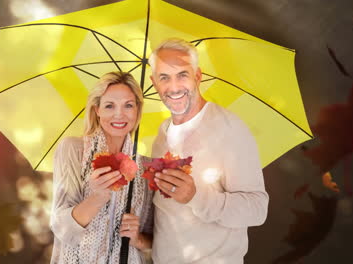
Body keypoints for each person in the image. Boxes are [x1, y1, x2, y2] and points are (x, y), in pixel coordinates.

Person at [148, 38, 269, 263]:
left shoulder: (229, 128)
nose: (173, 87)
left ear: (198, 75)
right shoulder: (161, 137)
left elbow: (257, 209)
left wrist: (196, 197)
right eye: (164, 77)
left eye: (182, 74)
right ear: (154, 82)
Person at [50, 72, 153, 264]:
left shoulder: (144, 167)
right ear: (97, 110)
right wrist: (97, 197)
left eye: (128, 105)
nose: (119, 114)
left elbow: (154, 238)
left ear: (138, 111)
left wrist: (138, 238)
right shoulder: (73, 149)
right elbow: (62, 228)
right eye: (109, 106)